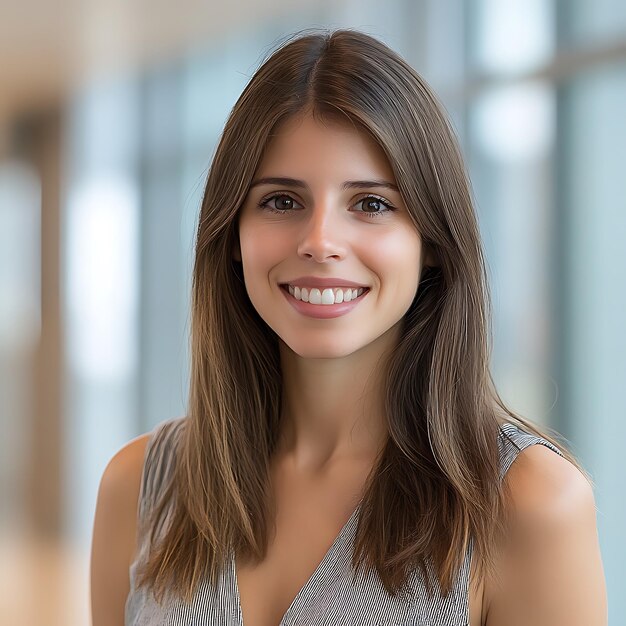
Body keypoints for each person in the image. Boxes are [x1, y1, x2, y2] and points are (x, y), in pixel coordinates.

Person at [90, 28, 607, 626]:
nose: (320, 243)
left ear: (432, 243)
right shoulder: (139, 490)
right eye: (282, 201)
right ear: (232, 235)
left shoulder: (527, 505)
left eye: (371, 204)